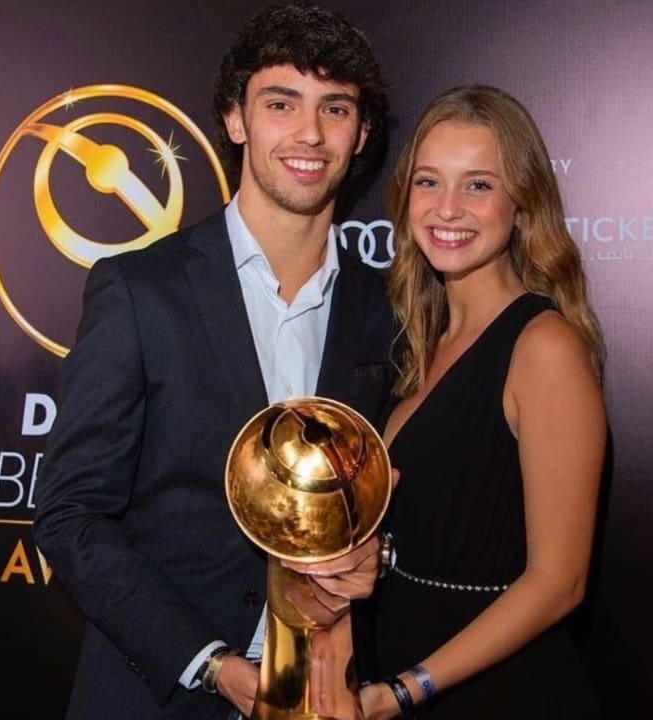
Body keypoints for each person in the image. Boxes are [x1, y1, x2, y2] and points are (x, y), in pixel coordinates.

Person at [33, 5, 395, 719]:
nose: (310, 134)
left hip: (326, 696)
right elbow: (70, 515)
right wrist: (212, 664)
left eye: (336, 108)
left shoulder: (388, 311)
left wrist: (375, 554)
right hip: (161, 695)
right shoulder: (140, 290)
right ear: (235, 119)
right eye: (281, 103)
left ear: (361, 136)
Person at [360, 86, 608, 718]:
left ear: (521, 203)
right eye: (428, 182)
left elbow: (559, 583)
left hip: (496, 692)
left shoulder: (542, 346)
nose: (447, 209)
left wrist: (405, 690)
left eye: (477, 185)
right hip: (404, 675)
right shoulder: (421, 340)